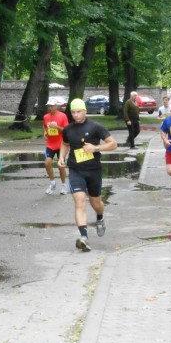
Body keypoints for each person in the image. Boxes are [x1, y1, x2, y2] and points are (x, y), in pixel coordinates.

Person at [58, 99, 118, 252]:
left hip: (93, 170)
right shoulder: (68, 129)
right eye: (73, 112)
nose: (76, 115)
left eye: (79, 112)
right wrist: (61, 157)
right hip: (76, 170)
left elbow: (113, 144)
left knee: (96, 204)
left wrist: (96, 148)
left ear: (85, 111)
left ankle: (100, 217)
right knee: (79, 202)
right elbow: (65, 144)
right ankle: (83, 237)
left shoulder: (95, 127)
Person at [43, 98, 68, 195]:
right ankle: (52, 183)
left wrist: (56, 127)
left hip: (61, 144)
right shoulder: (46, 117)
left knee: (60, 165)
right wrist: (45, 133)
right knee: (47, 163)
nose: (50, 108)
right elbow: (45, 127)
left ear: (56, 106)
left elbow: (66, 130)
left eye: (52, 106)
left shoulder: (63, 116)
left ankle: (64, 185)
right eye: (48, 106)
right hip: (50, 144)